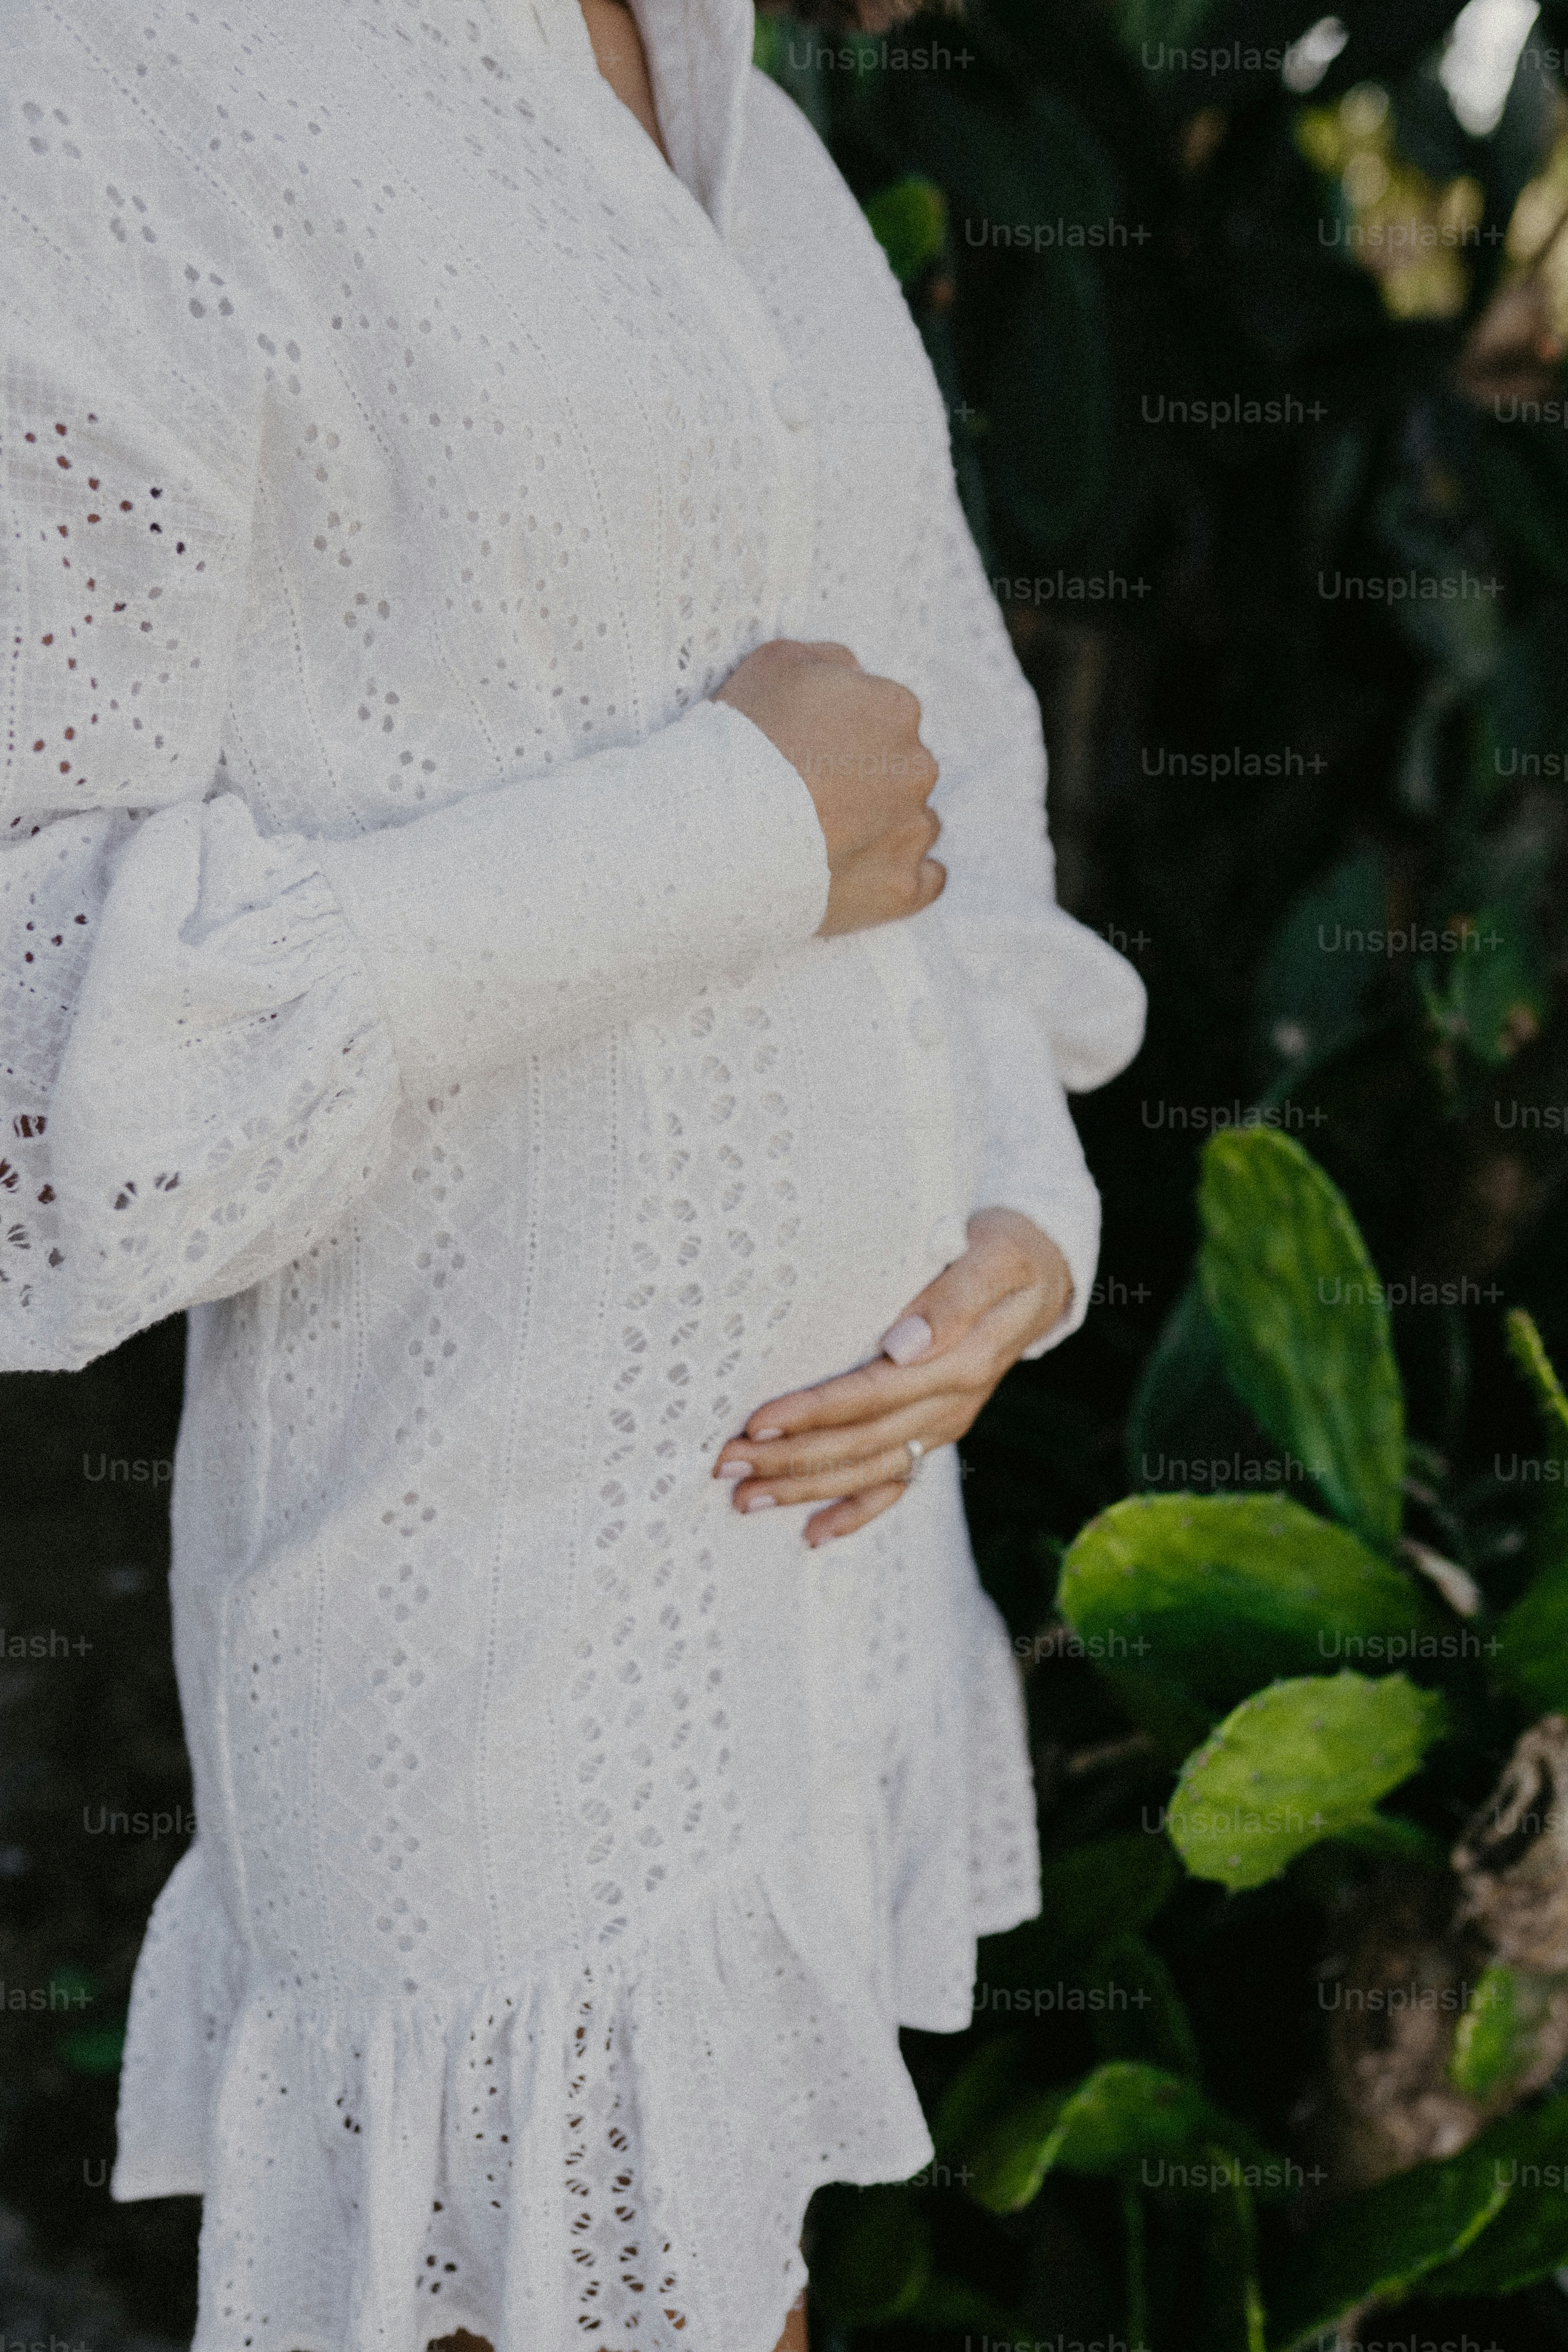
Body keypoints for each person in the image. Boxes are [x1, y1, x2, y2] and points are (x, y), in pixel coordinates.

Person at [0, 0, 1144, 2344]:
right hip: (480, 1667)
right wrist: (718, 836)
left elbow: (942, 752)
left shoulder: (746, 116)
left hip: (825, 1615)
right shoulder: (111, 76)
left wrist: (1018, 1196)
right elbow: (30, 1027)